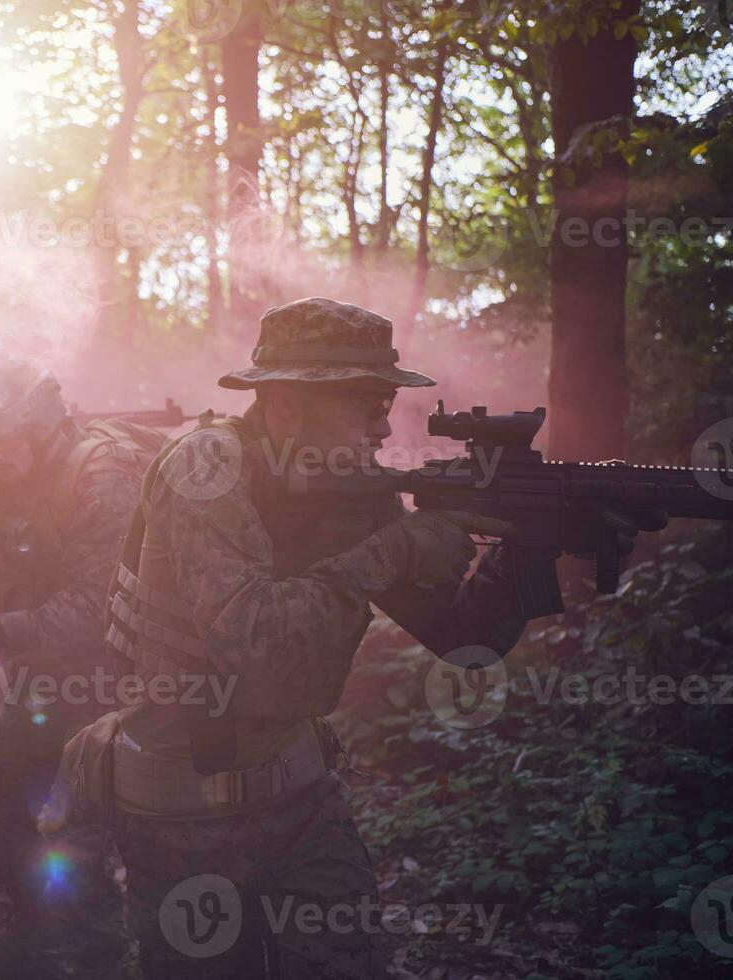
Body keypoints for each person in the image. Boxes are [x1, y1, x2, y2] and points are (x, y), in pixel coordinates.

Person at [103, 297, 555, 978]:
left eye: (385, 403)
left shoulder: (351, 492)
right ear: (285, 407)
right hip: (181, 813)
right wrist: (394, 551)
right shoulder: (205, 468)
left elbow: (467, 635)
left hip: (299, 800)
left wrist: (531, 543)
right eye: (365, 403)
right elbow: (254, 644)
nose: (383, 425)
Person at [0, 355, 157, 975]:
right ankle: (35, 929)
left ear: (42, 422)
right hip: (39, 675)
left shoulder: (103, 473)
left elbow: (95, 609)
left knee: (76, 835)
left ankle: (100, 953)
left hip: (112, 679)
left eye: (5, 445)